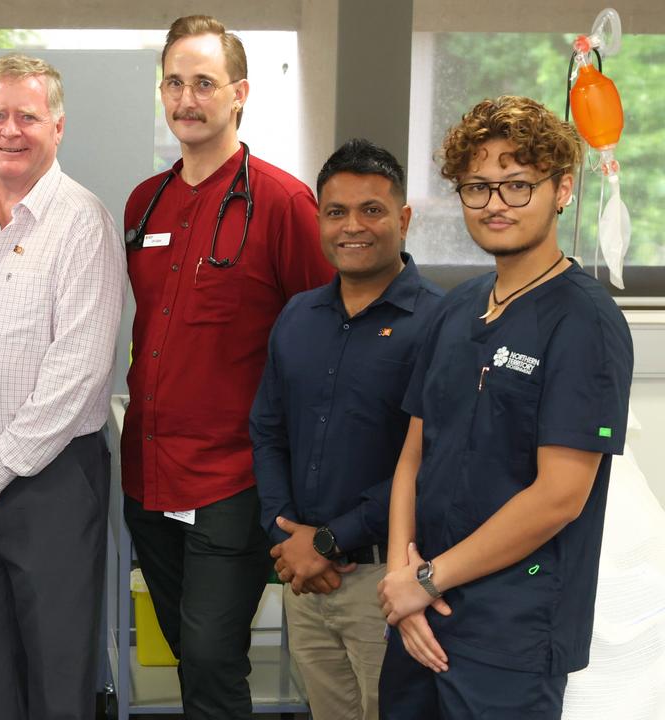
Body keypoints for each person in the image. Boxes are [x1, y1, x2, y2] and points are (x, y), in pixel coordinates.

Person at [376, 96, 633, 719]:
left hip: (509, 636)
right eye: (479, 186)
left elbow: (558, 498)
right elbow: (413, 456)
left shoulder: (584, 322)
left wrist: (426, 581)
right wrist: (401, 575)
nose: (496, 204)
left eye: (518, 186)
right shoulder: (455, 310)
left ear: (561, 188)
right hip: (417, 618)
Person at [121, 15, 335, 719]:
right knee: (190, 650)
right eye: (175, 83)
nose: (188, 98)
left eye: (205, 83)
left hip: (232, 478)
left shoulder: (282, 203)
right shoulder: (143, 203)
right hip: (149, 475)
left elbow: (324, 344)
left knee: (212, 659)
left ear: (239, 93)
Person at [0, 54, 125, 720]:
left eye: (27, 116)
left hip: (53, 483)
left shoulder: (82, 220)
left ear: (57, 126)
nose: (12, 130)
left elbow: (80, 368)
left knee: (58, 674)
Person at [250, 139, 443, 720]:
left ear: (403, 219)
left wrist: (328, 542)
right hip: (306, 580)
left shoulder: (440, 323)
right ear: (319, 220)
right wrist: (287, 537)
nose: (352, 226)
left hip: (389, 583)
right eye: (336, 212)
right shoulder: (298, 315)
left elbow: (432, 460)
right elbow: (267, 430)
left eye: (372, 210)